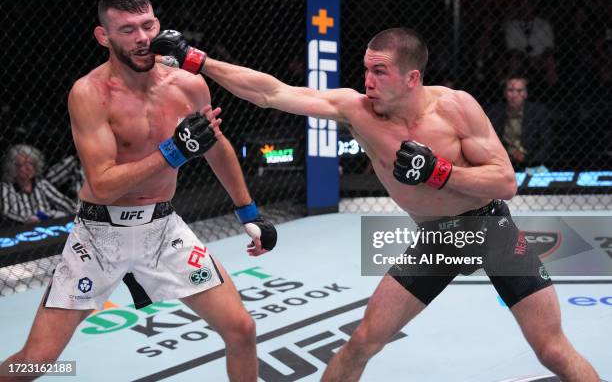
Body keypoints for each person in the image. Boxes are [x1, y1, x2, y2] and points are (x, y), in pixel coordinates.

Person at [151, 27, 599, 381]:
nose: (367, 81)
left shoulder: (456, 108)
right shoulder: (357, 109)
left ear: (412, 78)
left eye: (380, 71)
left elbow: (504, 182)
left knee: (552, 350)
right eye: (366, 69)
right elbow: (272, 92)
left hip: (488, 230)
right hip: (438, 239)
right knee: (363, 340)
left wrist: (440, 172)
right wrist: (199, 61)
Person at [0, 0, 276, 382]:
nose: (143, 38)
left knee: (242, 330)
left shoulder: (188, 86)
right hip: (99, 234)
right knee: (37, 360)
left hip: (163, 228)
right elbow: (105, 183)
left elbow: (215, 147)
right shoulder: (89, 93)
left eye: (147, 26)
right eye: (127, 29)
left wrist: (248, 212)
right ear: (104, 36)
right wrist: (173, 151)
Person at [486, 76, 552, 170]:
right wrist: (508, 155)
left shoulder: (538, 112)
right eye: (510, 90)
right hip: (502, 162)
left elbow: (546, 143)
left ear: (525, 94)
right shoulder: (494, 113)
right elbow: (489, 143)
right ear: (505, 93)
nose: (514, 95)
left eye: (519, 91)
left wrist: (529, 160)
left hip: (532, 162)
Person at [0, 144, 76, 225]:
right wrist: (27, 220)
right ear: (13, 168)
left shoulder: (41, 184)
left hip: (47, 227)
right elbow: (6, 213)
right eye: (23, 164)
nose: (28, 168)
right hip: (19, 231)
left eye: (31, 163)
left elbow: (64, 203)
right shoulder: (5, 188)